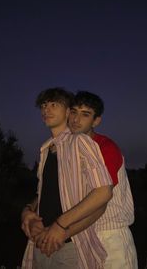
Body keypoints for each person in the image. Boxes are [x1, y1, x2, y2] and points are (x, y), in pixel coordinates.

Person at [21, 87, 114, 269]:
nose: (46, 110)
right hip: (40, 242)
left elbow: (104, 192)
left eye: (54, 104)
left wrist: (60, 226)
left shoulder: (80, 142)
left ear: (68, 111)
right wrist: (28, 212)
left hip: (70, 245)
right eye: (44, 105)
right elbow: (48, 194)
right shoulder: (46, 149)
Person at [68, 91, 138, 269]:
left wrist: (60, 229)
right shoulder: (69, 148)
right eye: (74, 111)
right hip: (82, 235)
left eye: (85, 114)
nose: (76, 119)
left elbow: (100, 195)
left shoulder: (105, 147)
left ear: (96, 121)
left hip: (110, 235)